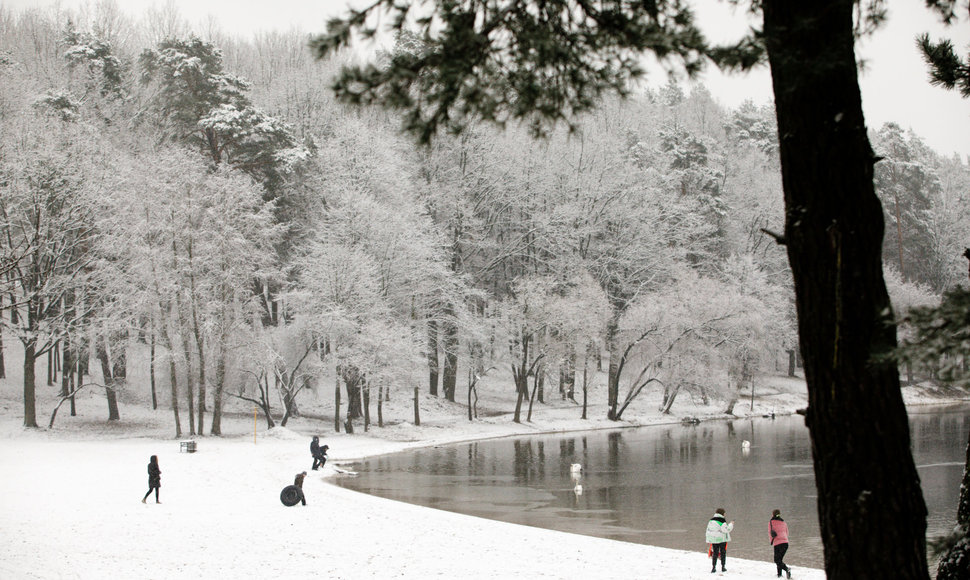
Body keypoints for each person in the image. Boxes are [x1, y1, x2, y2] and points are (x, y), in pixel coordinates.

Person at [705, 508, 734, 573]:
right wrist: (731, 524)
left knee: (715, 553)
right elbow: (726, 530)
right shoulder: (722, 520)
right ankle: (723, 567)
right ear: (722, 513)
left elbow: (708, 530)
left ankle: (713, 568)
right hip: (722, 539)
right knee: (723, 552)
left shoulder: (711, 520)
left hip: (714, 539)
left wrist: (709, 539)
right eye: (724, 513)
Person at [770, 509, 792, 578]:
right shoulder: (784, 522)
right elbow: (787, 532)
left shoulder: (771, 522)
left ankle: (786, 569)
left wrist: (772, 541)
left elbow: (770, 533)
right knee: (779, 560)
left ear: (772, 514)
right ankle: (779, 575)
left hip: (777, 543)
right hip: (785, 543)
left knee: (777, 560)